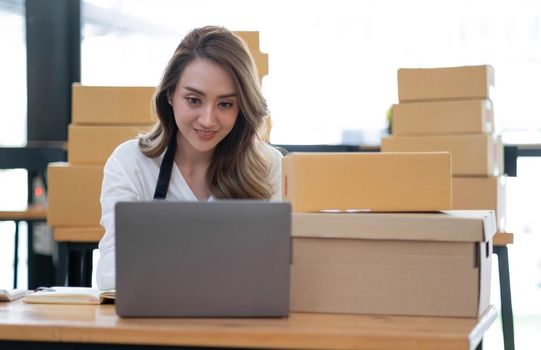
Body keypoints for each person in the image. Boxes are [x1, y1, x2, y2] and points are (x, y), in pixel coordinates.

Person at [96, 26, 283, 291]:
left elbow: (280, 271)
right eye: (194, 100)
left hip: (242, 328)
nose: (208, 120)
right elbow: (110, 275)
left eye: (225, 104)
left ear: (242, 107)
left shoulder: (267, 165)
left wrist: (162, 267)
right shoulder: (130, 163)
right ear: (170, 94)